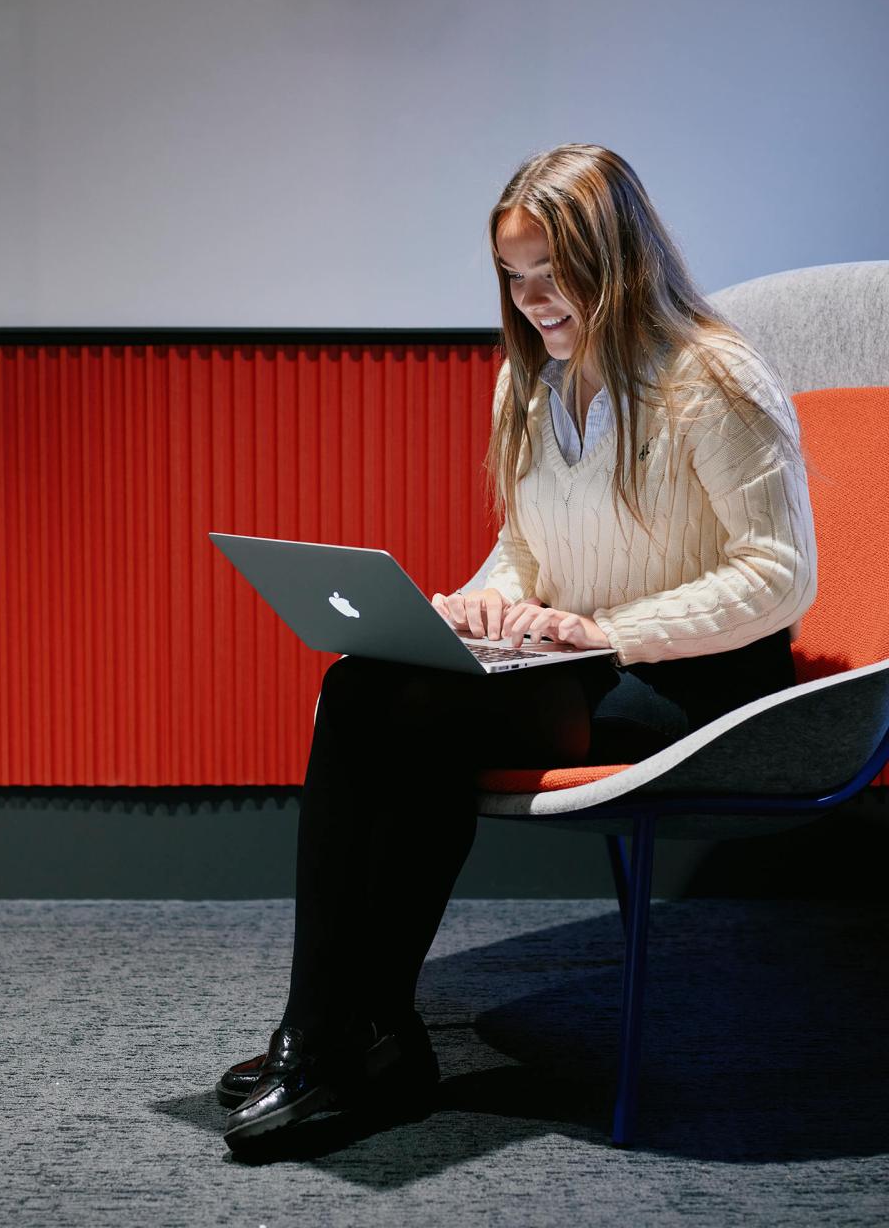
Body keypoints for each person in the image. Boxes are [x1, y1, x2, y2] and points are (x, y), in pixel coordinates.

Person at [220, 143, 817, 1155]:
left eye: (554, 273)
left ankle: (343, 1034)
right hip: (586, 663)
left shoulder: (714, 377)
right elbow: (526, 548)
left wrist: (611, 629)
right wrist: (485, 603)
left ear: (618, 259)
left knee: (394, 705)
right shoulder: (531, 385)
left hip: (699, 683)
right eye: (515, 275)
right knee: (367, 682)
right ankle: (342, 1028)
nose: (534, 299)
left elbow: (779, 574)